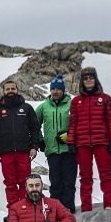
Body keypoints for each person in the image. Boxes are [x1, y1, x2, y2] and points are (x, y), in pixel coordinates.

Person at [67, 68, 111, 211]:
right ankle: (86, 208)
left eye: (91, 77)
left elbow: (110, 120)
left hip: (102, 142)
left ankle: (109, 205)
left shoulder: (105, 98)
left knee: (106, 175)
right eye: (85, 78)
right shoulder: (76, 101)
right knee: (85, 177)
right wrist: (71, 141)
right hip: (82, 144)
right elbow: (73, 123)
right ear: (82, 81)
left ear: (96, 79)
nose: (88, 80)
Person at [0, 80, 41, 207]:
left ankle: (26, 209)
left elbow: (35, 128)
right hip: (6, 152)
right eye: (7, 89)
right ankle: (14, 210)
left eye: (13, 89)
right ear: (3, 92)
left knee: (26, 182)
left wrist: (34, 146)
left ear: (17, 90)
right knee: (10, 183)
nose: (10, 91)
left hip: (23, 151)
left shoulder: (26, 108)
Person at [35, 74, 77, 213]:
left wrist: (69, 135)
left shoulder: (72, 104)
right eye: (53, 89)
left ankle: (68, 208)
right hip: (52, 150)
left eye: (58, 89)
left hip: (69, 150)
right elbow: (33, 125)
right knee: (56, 182)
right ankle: (55, 209)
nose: (55, 92)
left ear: (63, 90)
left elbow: (80, 124)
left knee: (69, 182)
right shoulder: (43, 107)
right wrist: (40, 140)